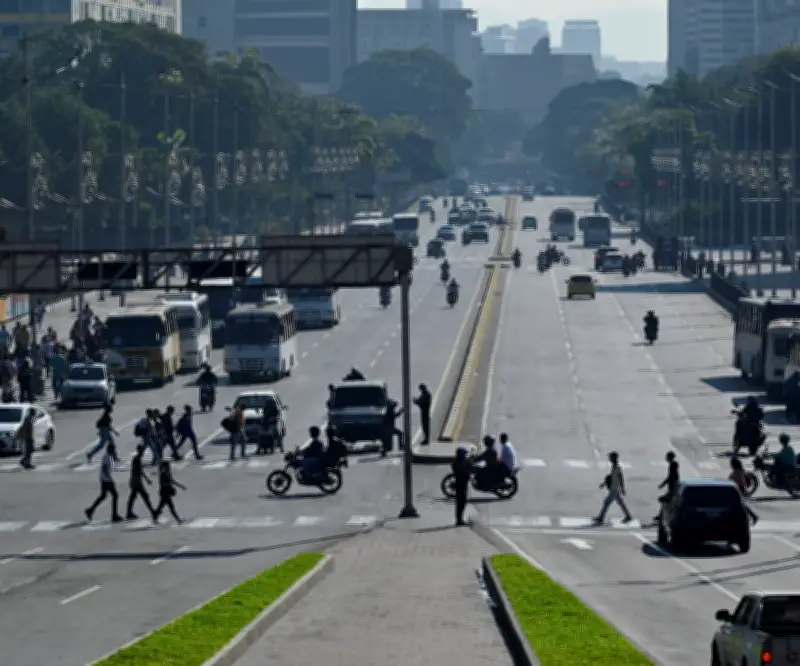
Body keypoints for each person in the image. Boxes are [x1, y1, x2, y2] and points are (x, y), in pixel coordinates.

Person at [84, 442, 122, 523]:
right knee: (115, 495)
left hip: (105, 479)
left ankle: (90, 510)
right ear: (110, 449)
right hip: (106, 480)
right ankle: (114, 515)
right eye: (113, 449)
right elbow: (104, 468)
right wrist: (110, 479)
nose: (114, 451)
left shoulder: (109, 456)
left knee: (103, 496)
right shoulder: (106, 457)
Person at [593, 451, 633, 524]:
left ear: (614, 458)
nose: (609, 459)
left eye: (610, 457)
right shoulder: (614, 466)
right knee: (620, 503)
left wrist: (622, 488)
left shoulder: (617, 467)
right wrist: (604, 483)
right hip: (614, 488)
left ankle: (601, 518)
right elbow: (611, 477)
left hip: (614, 489)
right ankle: (628, 516)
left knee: (607, 502)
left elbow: (621, 478)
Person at [126, 443, 156, 520]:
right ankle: (153, 512)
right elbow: (138, 471)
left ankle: (129, 513)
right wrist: (146, 479)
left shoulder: (137, 459)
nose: (143, 452)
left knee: (134, 497)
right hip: (136, 482)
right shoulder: (137, 459)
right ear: (139, 451)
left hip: (136, 481)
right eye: (142, 451)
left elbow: (140, 471)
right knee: (144, 497)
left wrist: (146, 479)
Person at [729, 457, 759, 524]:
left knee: (738, 504)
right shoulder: (740, 471)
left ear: (734, 465)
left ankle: (753, 516)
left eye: (731, 464)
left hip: (738, 489)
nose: (731, 466)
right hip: (739, 489)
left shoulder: (737, 472)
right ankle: (753, 516)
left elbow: (739, 481)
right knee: (740, 505)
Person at [654, 451, 680, 521]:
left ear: (670, 457)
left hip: (673, 487)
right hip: (673, 487)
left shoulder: (673, 465)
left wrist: (662, 484)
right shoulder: (673, 464)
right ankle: (661, 515)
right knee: (665, 501)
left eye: (667, 457)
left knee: (664, 500)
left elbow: (670, 477)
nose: (666, 458)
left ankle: (665, 515)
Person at [452, 447, 471, 526]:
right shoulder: (460, 463)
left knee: (460, 503)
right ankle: (459, 520)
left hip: (460, 484)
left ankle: (459, 519)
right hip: (461, 485)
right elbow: (466, 471)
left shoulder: (456, 462)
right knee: (461, 502)